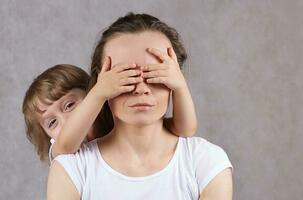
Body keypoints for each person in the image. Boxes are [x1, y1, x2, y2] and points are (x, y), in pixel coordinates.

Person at [47, 13, 233, 200]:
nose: (141, 89)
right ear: (100, 82)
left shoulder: (207, 163)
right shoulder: (72, 169)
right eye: (126, 77)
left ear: (175, 82)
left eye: (156, 75)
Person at [22, 41, 197, 162]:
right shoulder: (63, 153)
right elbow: (66, 143)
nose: (66, 120)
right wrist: (99, 92)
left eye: (69, 105)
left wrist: (179, 86)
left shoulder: (120, 124)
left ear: (90, 94)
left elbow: (185, 128)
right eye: (52, 122)